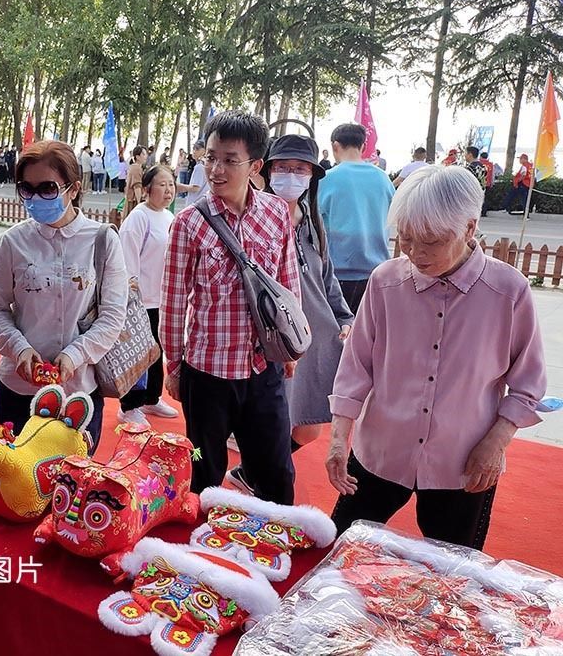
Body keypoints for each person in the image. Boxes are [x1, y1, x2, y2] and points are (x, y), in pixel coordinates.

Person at [326, 165, 546, 550]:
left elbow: (528, 385)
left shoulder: (508, 291)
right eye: (407, 239)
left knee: (453, 568)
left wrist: (496, 442)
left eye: (432, 241)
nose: (416, 253)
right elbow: (356, 366)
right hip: (381, 450)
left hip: (462, 461)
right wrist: (338, 438)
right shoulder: (385, 282)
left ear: (469, 228)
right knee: (338, 547)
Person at [159, 110, 300, 503]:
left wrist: (291, 347)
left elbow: (288, 281)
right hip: (207, 374)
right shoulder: (189, 223)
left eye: (229, 160)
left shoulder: (276, 212)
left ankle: (275, 535)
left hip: (263, 368)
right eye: (210, 157)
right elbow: (173, 301)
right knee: (203, 471)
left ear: (255, 165)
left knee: (275, 472)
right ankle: (202, 540)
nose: (216, 170)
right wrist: (174, 365)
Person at [224, 134, 353, 494]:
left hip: (311, 340)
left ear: (312, 176)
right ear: (266, 171)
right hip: (270, 344)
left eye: (300, 169)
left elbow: (327, 279)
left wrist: (345, 318)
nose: (291, 176)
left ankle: (250, 473)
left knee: (308, 427)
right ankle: (261, 479)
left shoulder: (312, 223)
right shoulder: (251, 220)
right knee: (274, 425)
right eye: (283, 168)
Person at [0, 140, 127, 449]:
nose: (36, 198)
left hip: (78, 393)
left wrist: (74, 355)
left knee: (71, 476)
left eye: (47, 188)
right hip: (18, 391)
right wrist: (20, 350)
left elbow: (113, 315)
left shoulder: (102, 241)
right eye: (27, 189)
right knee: (11, 472)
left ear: (74, 189)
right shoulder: (12, 242)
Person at [117, 164, 180, 425]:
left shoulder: (169, 217)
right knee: (138, 353)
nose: (168, 190)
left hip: (161, 298)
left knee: (157, 350)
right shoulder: (138, 218)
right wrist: (131, 298)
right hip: (140, 300)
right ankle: (129, 406)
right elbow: (127, 260)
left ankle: (152, 399)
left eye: (171, 184)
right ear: (146, 189)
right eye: (162, 185)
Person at [317, 123, 395, 315]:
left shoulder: (325, 180)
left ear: (335, 146)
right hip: (378, 274)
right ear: (363, 146)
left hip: (336, 275)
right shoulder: (383, 179)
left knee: (340, 329)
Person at [175, 140, 207, 212]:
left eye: (197, 149)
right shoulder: (206, 165)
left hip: (195, 205)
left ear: (204, 151)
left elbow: (195, 188)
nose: (194, 151)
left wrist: (179, 186)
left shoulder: (199, 167)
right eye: (193, 148)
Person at [123, 145, 148, 216]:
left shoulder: (134, 167)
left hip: (130, 199)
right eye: (143, 154)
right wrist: (139, 203)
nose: (145, 156)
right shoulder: (136, 168)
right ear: (137, 156)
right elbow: (137, 187)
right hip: (133, 201)